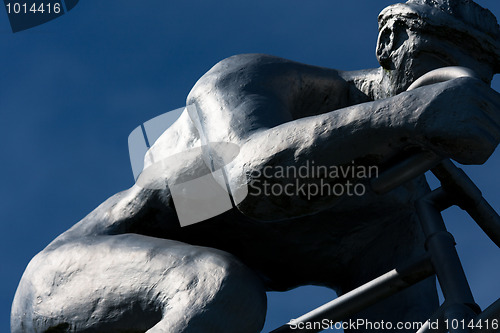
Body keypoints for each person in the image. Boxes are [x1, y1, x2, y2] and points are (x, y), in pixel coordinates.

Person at [12, 0, 500, 332]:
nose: (460, 84)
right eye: (440, 61)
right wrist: (406, 114)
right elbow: (249, 177)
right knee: (222, 289)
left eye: (480, 77)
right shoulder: (263, 79)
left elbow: (388, 321)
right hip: (76, 273)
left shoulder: (400, 202)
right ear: (391, 40)